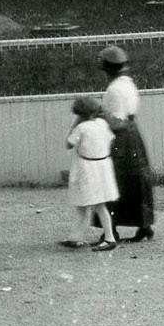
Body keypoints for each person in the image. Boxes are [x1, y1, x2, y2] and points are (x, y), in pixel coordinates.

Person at [99, 44, 154, 243]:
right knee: (137, 179)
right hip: (133, 134)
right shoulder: (129, 84)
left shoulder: (113, 89)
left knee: (114, 180)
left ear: (108, 70)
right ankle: (144, 226)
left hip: (119, 137)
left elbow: (116, 121)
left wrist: (99, 114)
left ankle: (111, 230)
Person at [62, 94, 119, 251]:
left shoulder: (80, 128)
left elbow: (68, 144)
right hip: (102, 166)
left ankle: (109, 238)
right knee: (84, 202)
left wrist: (75, 124)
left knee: (97, 204)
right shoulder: (102, 124)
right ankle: (75, 237)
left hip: (87, 168)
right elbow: (110, 139)